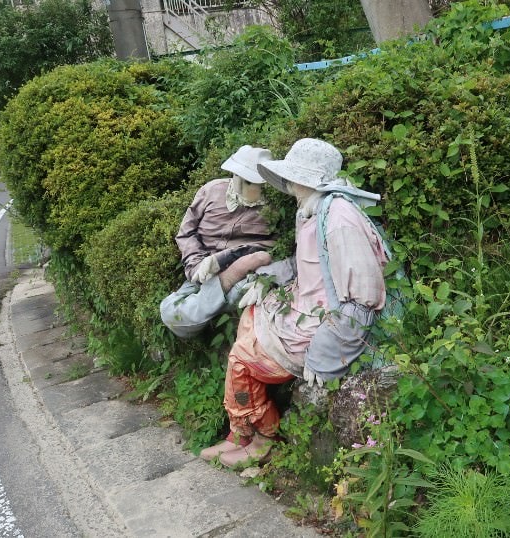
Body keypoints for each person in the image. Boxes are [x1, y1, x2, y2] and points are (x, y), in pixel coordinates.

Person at [199, 138, 389, 468]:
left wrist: (326, 353)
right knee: (250, 316)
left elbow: (363, 297)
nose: (287, 182)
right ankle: (240, 431)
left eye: (292, 175)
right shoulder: (313, 209)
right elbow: (310, 264)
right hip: (303, 304)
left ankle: (262, 438)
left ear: (303, 178)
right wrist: (267, 278)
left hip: (322, 323)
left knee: (242, 360)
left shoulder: (339, 219)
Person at [160, 146, 276, 339]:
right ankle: (220, 290)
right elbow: (185, 233)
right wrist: (196, 265)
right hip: (201, 272)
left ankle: (224, 286)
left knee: (240, 293)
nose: (247, 187)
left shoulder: (273, 207)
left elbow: (270, 247)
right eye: (243, 179)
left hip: (242, 274)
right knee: (170, 311)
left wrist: (223, 260)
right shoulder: (211, 190)